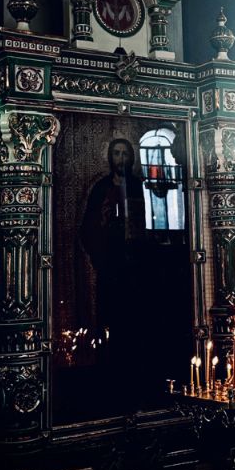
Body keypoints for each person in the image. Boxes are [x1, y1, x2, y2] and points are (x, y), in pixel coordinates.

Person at [78, 138, 146, 355]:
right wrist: (100, 258)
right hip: (109, 266)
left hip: (136, 266)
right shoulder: (101, 188)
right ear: (110, 157)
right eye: (117, 153)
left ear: (131, 158)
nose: (121, 159)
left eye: (125, 154)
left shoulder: (139, 187)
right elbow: (88, 229)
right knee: (109, 318)